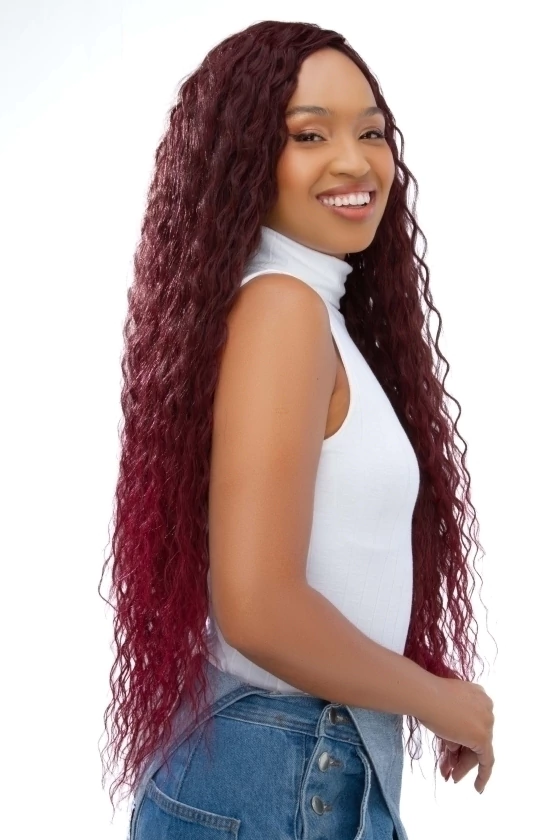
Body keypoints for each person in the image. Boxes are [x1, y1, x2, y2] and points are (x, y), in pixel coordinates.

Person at [99, 19, 495, 840]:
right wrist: (440, 700)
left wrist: (414, 682)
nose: (354, 162)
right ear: (245, 156)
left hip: (296, 766)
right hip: (283, 774)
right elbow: (258, 607)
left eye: (371, 133)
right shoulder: (282, 309)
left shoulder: (310, 308)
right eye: (310, 135)